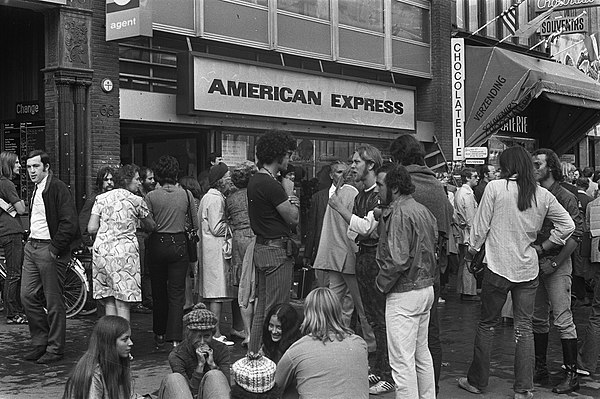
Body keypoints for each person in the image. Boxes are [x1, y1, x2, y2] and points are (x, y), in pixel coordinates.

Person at [457, 146, 574, 399]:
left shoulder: (495, 188)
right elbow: (569, 225)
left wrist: (470, 253)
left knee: (487, 325)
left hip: (498, 267)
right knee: (524, 328)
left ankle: (477, 382)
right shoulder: (542, 195)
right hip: (527, 268)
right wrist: (544, 246)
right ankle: (524, 388)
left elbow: (479, 228)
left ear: (508, 166)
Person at [389, 134, 452, 396]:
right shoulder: (436, 185)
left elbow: (396, 249)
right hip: (432, 272)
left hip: (406, 278)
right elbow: (447, 225)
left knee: (403, 353)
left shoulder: (403, 186)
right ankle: (431, 390)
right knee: (427, 340)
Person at [375, 163, 438, 398]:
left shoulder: (400, 212)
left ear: (394, 188)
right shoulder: (422, 210)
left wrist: (381, 283)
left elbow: (397, 260)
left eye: (381, 185)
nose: (378, 190)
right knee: (421, 354)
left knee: (402, 363)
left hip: (405, 291)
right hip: (425, 287)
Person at [327, 145, 383, 393]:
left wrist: (341, 209)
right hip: (363, 256)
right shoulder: (362, 196)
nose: (352, 166)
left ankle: (384, 370)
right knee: (369, 314)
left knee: (376, 317)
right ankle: (377, 367)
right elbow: (357, 230)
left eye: (356, 161)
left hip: (373, 259)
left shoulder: (376, 195)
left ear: (370, 164)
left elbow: (367, 228)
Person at [531, 148, 583, 394]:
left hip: (556, 264)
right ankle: (540, 369)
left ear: (549, 167)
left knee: (563, 319)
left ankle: (571, 374)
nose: (534, 168)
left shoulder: (564, 196)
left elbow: (576, 235)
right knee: (539, 318)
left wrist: (555, 262)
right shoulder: (535, 194)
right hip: (538, 263)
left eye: (537, 164)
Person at [21, 150, 80, 364]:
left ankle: (55, 348)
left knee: (54, 300)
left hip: (48, 248)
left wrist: (54, 249)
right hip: (33, 246)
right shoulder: (36, 189)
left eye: (35, 167)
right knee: (26, 296)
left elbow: (69, 222)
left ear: (46, 167)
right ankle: (41, 342)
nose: (31, 171)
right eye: (28, 167)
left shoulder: (57, 187)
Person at [247, 131, 299, 353]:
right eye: (288, 154)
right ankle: (270, 360)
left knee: (262, 311)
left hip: (262, 248)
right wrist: (290, 193)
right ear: (278, 155)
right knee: (276, 312)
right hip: (277, 252)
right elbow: (293, 218)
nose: (290, 159)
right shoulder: (272, 185)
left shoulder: (255, 181)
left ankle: (253, 354)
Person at [88, 164, 156, 322]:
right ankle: (125, 337)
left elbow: (91, 227)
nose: (139, 183)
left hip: (102, 252)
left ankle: (111, 338)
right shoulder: (136, 200)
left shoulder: (101, 198)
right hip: (124, 254)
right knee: (123, 300)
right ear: (127, 180)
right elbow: (150, 225)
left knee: (109, 300)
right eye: (137, 179)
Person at [275, 287, 368, 399]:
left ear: (308, 314)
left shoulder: (297, 350)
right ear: (338, 311)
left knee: (291, 386)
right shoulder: (359, 344)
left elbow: (276, 386)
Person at [145, 155, 199, 348]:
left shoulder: (150, 196)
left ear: (158, 174)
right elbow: (195, 222)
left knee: (159, 291)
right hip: (179, 243)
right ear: (176, 173)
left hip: (157, 243)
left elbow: (147, 223)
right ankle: (175, 337)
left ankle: (159, 333)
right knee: (177, 292)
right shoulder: (186, 195)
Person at [313, 161, 366, 335]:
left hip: (334, 255)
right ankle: (370, 342)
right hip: (349, 255)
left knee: (333, 301)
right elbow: (355, 227)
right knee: (359, 303)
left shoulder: (335, 196)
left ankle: (326, 333)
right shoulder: (354, 196)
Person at [158, 303, 231, 399]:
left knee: (216, 374)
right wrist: (200, 366)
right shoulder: (177, 355)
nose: (202, 342)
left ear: (212, 335)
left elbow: (226, 388)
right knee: (174, 378)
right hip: (188, 395)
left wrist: (212, 365)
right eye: (198, 337)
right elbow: (185, 392)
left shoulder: (222, 349)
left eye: (206, 336)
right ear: (189, 335)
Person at [199, 163, 235, 345]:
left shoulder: (208, 197)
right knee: (216, 294)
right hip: (215, 251)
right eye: (227, 177)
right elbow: (216, 227)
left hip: (209, 250)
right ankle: (215, 333)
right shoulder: (215, 199)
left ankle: (213, 332)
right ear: (220, 180)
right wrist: (232, 225)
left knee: (212, 293)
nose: (230, 180)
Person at [62, 315, 135, 399]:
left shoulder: (118, 361)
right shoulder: (94, 373)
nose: (130, 343)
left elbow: (126, 395)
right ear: (109, 342)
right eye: (125, 339)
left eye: (129, 338)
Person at [226, 161, 258, 347]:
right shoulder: (255, 195)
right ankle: (254, 330)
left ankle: (242, 329)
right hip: (254, 237)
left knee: (241, 285)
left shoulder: (230, 198)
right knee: (256, 284)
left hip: (238, 238)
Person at [0, 152, 27, 325]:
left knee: (12, 272)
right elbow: (22, 209)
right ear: (8, 165)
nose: (20, 165)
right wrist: (19, 204)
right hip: (12, 231)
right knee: (14, 273)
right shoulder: (7, 184)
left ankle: (13, 310)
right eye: (16, 163)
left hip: (5, 231)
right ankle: (12, 314)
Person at [133, 166, 157, 313]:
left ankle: (148, 299)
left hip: (147, 234)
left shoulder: (149, 193)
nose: (153, 181)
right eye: (150, 178)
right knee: (140, 268)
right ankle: (139, 301)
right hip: (140, 233)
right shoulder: (137, 196)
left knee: (147, 268)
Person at [179, 176, 204, 312]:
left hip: (188, 238)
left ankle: (188, 300)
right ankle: (193, 299)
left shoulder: (188, 201)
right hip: (197, 238)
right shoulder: (199, 201)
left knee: (186, 272)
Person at [454, 167, 480, 301]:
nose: (478, 178)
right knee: (468, 262)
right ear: (468, 178)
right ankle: (469, 292)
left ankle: (462, 289)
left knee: (463, 263)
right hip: (468, 234)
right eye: (475, 176)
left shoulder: (460, 192)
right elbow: (471, 218)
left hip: (462, 233)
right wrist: (474, 235)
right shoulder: (468, 195)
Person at [79, 166, 114, 247]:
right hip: (99, 242)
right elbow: (83, 221)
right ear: (101, 181)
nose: (109, 182)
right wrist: (88, 243)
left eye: (111, 179)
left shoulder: (115, 197)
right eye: (106, 180)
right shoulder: (94, 199)